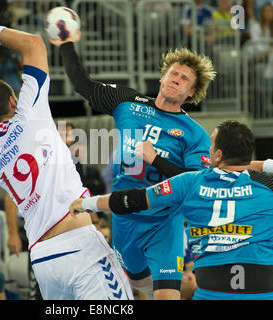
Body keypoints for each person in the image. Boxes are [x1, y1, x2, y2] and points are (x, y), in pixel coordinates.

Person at [0, 22, 133, 300]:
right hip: (79, 246)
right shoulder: (30, 114)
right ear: (12, 100)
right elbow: (34, 44)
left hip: (43, 257)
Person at [50, 29, 216, 300]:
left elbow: (195, 184)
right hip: (124, 217)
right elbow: (83, 84)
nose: (176, 79)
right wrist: (67, 45)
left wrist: (156, 159)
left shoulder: (194, 133)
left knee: (166, 295)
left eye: (184, 79)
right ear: (162, 76)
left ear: (192, 92)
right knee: (135, 287)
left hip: (164, 223)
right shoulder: (128, 103)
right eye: (173, 73)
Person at [70, 120, 273, 300]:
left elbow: (133, 199)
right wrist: (254, 165)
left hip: (213, 291)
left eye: (210, 144)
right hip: (268, 289)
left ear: (218, 155)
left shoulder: (191, 182)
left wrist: (87, 204)